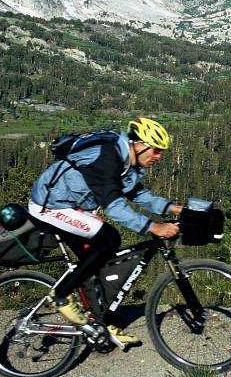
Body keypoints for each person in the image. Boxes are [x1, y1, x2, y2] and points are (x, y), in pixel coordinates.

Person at [28, 117, 182, 345]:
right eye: (157, 150)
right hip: (51, 205)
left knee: (96, 258)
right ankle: (60, 296)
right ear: (139, 145)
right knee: (108, 239)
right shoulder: (107, 157)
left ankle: (97, 321)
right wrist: (154, 227)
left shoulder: (126, 161)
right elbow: (114, 207)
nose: (159, 157)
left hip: (72, 204)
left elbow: (138, 194)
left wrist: (172, 208)